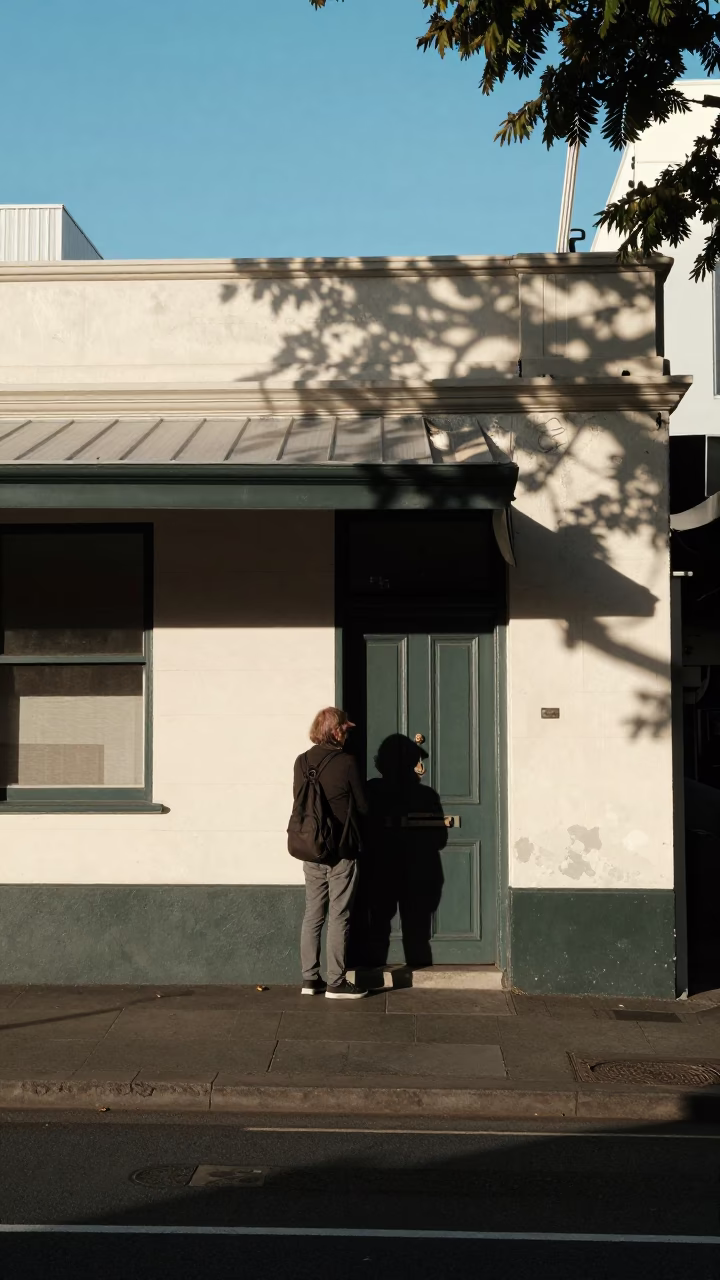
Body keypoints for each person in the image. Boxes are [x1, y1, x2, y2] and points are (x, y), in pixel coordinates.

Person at [294, 707, 369, 999]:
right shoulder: (347, 762)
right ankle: (336, 982)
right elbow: (363, 806)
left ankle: (310, 979)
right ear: (335, 731)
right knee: (339, 915)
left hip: (311, 849)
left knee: (313, 914)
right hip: (341, 850)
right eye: (345, 729)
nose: (347, 734)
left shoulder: (301, 762)